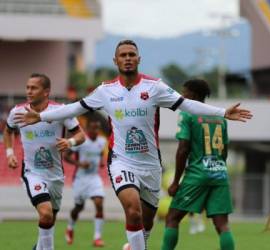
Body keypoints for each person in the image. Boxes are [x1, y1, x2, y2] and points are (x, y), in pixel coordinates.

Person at [13, 40, 252, 250]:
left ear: (139, 59)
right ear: (115, 60)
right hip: (121, 161)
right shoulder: (105, 91)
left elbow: (186, 105)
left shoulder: (154, 87)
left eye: (131, 54)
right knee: (133, 211)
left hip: (150, 166)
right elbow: (75, 107)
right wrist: (42, 116)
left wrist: (222, 112)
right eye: (123, 55)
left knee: (146, 224)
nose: (127, 58)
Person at [4, 73, 85, 250]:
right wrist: (10, 153)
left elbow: (81, 135)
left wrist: (69, 142)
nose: (29, 91)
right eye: (27, 87)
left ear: (46, 91)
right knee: (46, 214)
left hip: (55, 176)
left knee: (49, 220)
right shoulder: (18, 111)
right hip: (32, 173)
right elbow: (8, 130)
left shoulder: (60, 111)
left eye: (34, 88)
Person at [161, 79, 235, 250]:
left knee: (172, 218)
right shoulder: (220, 117)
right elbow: (224, 150)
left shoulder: (188, 114)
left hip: (197, 174)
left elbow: (183, 149)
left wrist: (175, 182)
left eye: (184, 92)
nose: (181, 95)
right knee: (222, 225)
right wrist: (217, 167)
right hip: (220, 173)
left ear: (193, 95)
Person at [64, 118, 107, 247]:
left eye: (97, 128)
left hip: (94, 178)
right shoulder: (81, 142)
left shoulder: (102, 141)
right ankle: (70, 227)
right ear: (87, 129)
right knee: (79, 207)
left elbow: (99, 154)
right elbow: (66, 156)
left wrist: (101, 162)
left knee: (99, 203)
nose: (96, 130)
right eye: (93, 128)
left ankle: (97, 237)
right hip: (80, 179)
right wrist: (80, 164)